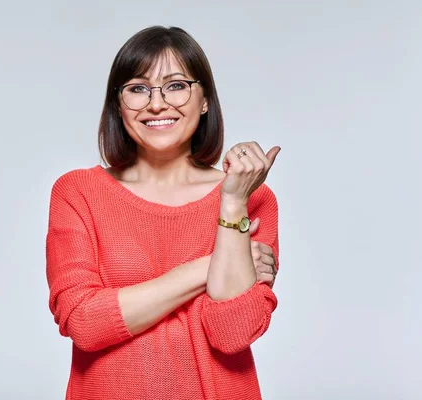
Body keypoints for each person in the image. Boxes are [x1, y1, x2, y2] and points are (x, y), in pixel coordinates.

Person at [45, 25, 281, 400]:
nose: (157, 103)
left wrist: (233, 202)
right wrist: (210, 265)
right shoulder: (78, 193)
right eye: (138, 88)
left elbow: (232, 333)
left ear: (204, 99)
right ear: (118, 104)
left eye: (176, 85)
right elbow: (84, 322)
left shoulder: (252, 197)